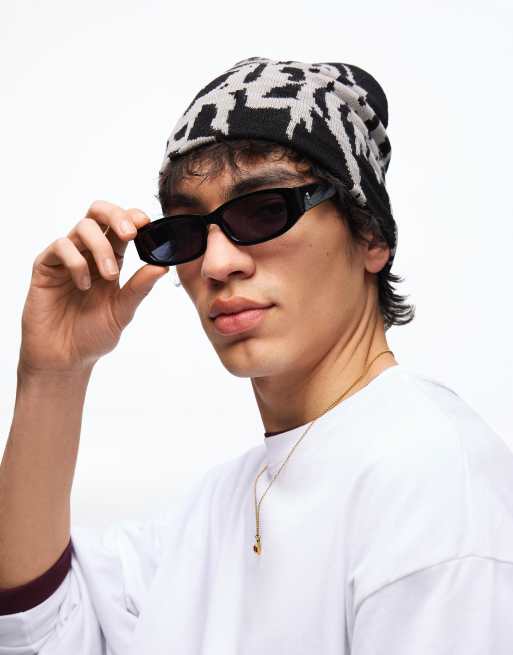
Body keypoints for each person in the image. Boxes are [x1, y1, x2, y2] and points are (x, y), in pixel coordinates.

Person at [0, 56, 512, 654]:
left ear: (370, 234)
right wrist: (54, 373)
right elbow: (38, 631)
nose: (217, 264)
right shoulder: (220, 504)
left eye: (266, 210)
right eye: (186, 232)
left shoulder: (430, 481)